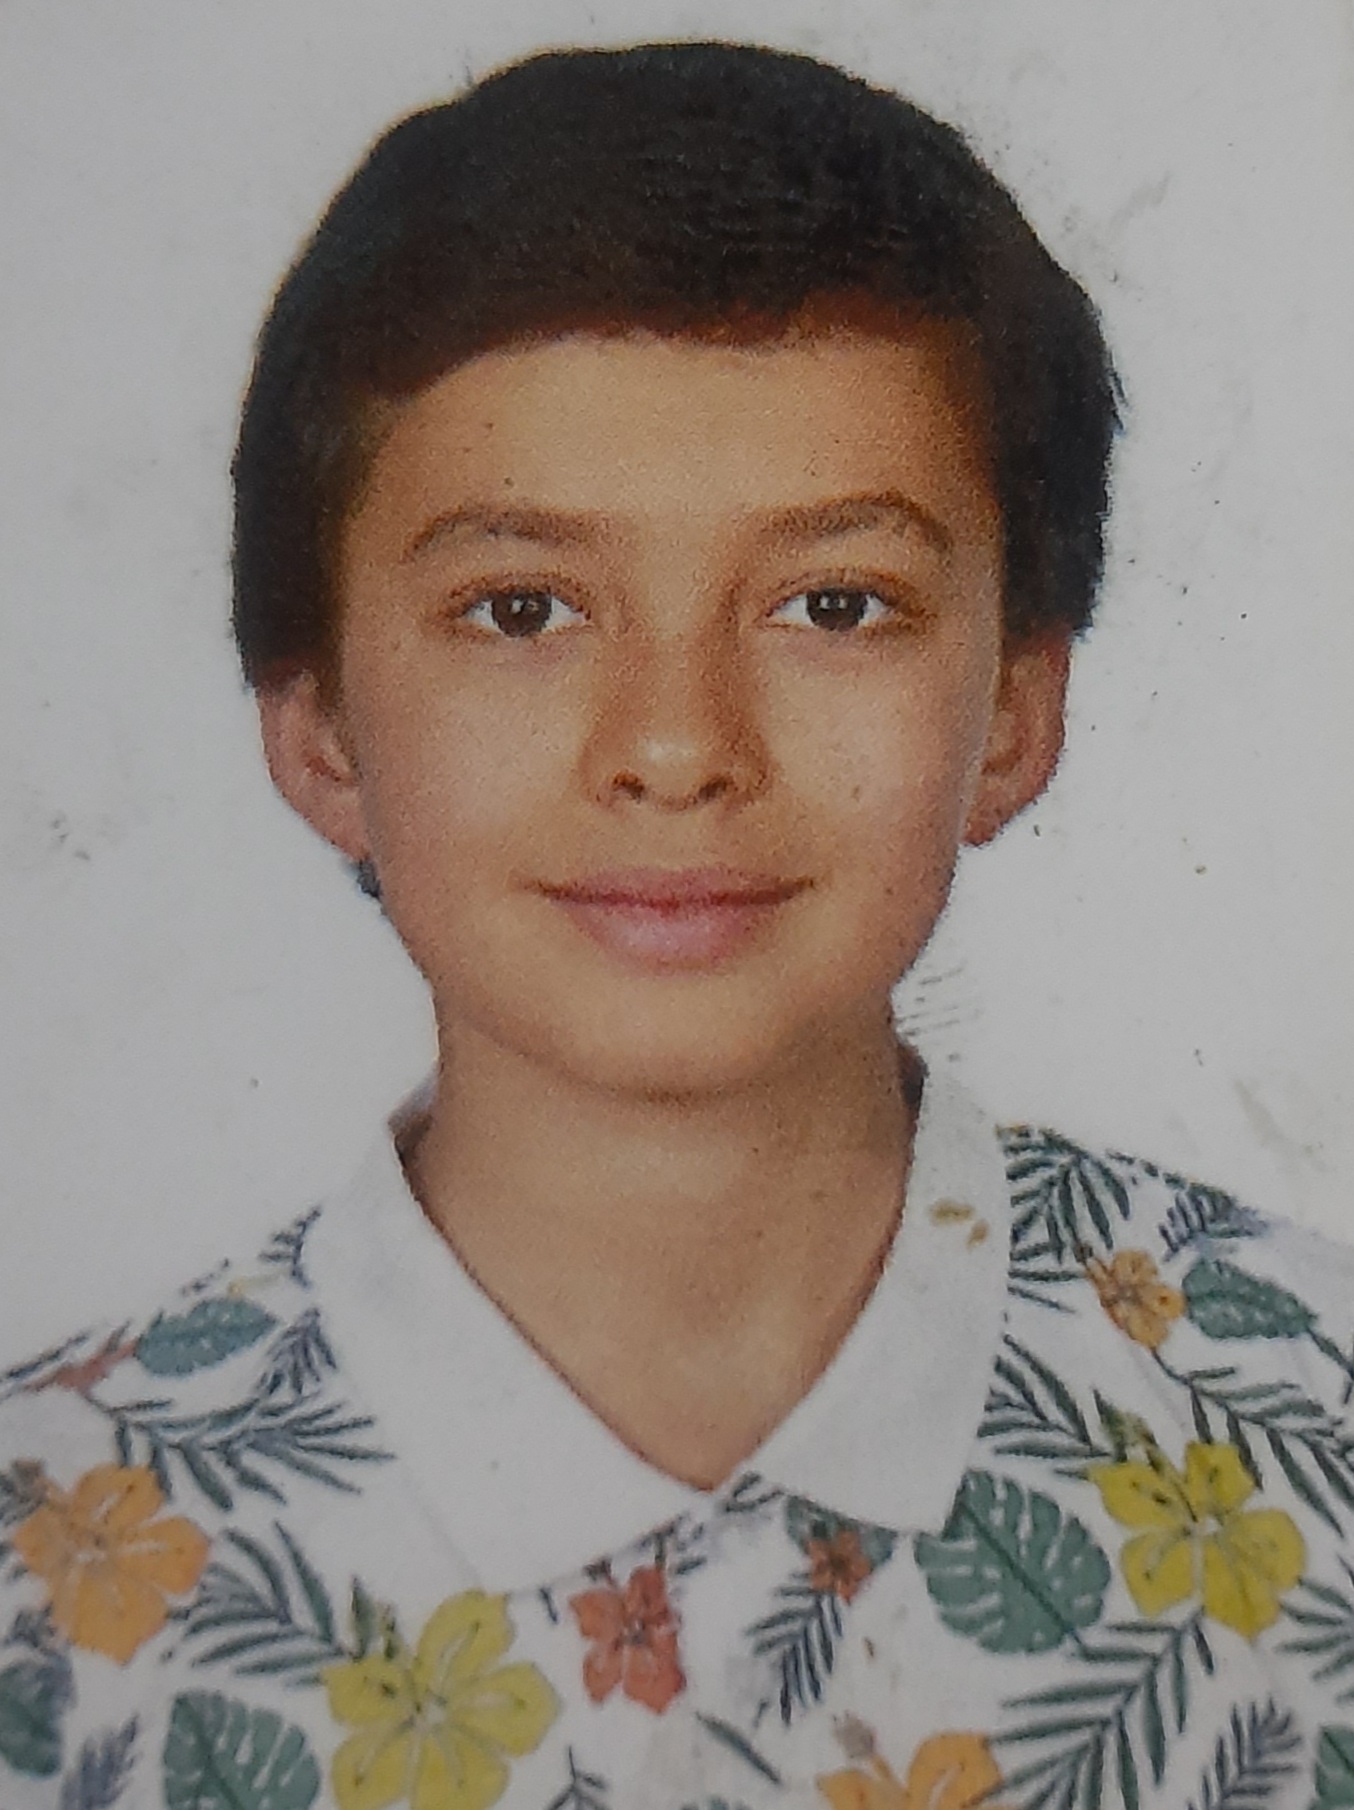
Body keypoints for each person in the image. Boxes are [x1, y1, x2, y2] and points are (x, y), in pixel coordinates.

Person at [1, 41, 1351, 1810]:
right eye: (520, 608)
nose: (673, 746)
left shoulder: (1310, 1430)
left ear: (1015, 708)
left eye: (834, 603)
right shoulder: (52, 1571)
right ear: (318, 724)